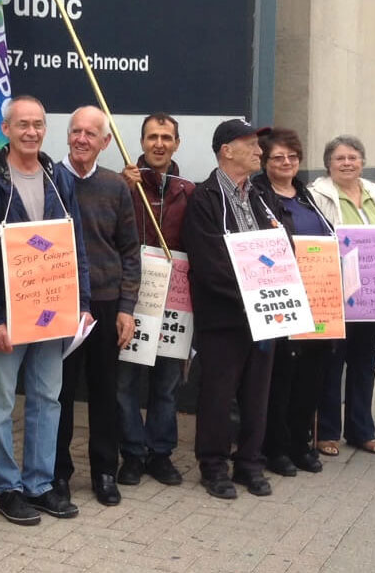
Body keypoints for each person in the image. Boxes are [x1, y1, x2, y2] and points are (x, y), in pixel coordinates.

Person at [0, 95, 92, 526]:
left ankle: (39, 485)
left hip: (52, 310)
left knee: (47, 399)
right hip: (8, 314)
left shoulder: (58, 178)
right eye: (23, 124)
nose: (31, 132)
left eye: (38, 124)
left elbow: (75, 246)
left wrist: (83, 303)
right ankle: (7, 487)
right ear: (6, 129)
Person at [183, 118, 281, 499]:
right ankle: (213, 466)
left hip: (266, 315)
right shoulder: (204, 198)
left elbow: (278, 246)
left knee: (257, 392)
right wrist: (251, 294)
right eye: (251, 144)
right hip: (224, 316)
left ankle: (250, 463)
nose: (260, 151)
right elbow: (209, 263)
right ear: (227, 149)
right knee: (219, 395)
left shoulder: (259, 195)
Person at [54, 106, 140, 506]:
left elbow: (129, 250)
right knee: (60, 393)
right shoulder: (49, 181)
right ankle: (57, 475)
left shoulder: (115, 187)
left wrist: (127, 306)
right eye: (76, 131)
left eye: (91, 133)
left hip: (106, 305)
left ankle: (105, 471)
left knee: (106, 393)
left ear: (105, 142)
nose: (82, 139)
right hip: (59, 305)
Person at [308, 135, 375, 456]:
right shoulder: (316, 196)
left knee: (364, 364)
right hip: (336, 293)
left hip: (373, 296)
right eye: (340, 159)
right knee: (332, 364)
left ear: (362, 161)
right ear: (328, 165)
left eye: (353, 158)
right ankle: (327, 432)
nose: (347, 163)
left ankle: (362, 431)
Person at [117, 113, 194, 487]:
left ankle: (160, 454)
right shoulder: (124, 184)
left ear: (177, 143)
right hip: (133, 296)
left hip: (175, 299)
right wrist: (123, 187)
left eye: (166, 137)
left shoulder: (189, 191)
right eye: (152, 137)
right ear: (142, 142)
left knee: (166, 383)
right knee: (126, 382)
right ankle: (132, 453)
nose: (159, 143)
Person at [252, 127, 333, 475]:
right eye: (278, 157)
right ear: (265, 162)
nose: (286, 162)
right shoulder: (257, 196)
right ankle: (277, 449)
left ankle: (302, 444)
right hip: (281, 296)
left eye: (292, 157)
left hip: (318, 296)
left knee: (311, 376)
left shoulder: (307, 195)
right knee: (281, 377)